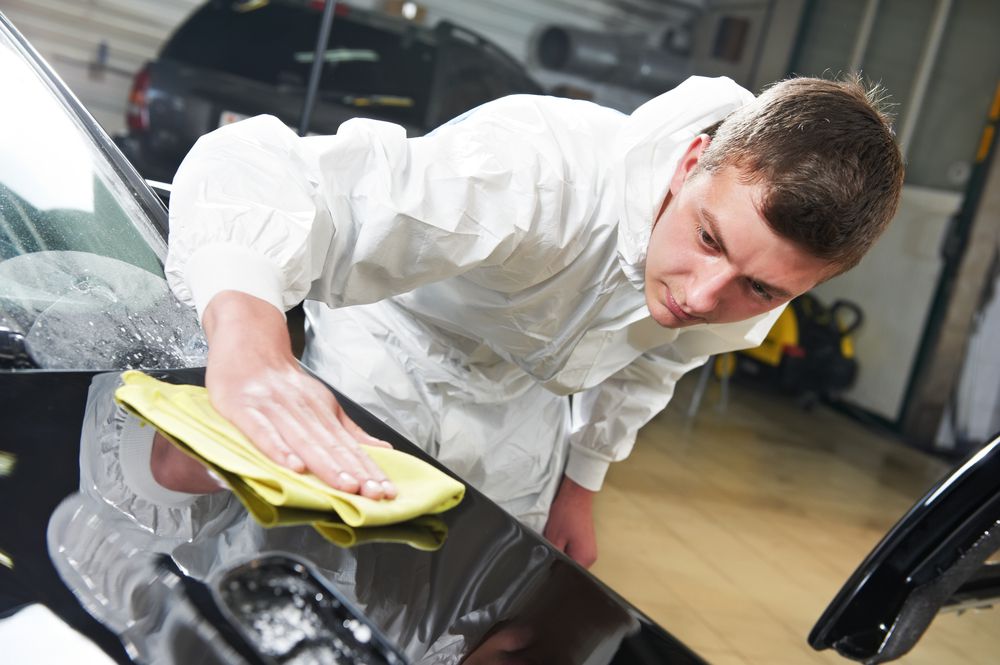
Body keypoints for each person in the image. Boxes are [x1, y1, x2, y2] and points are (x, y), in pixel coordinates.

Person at [158, 74, 904, 567]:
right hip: (382, 364)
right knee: (279, 577)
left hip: (525, 416)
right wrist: (250, 339)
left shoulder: (744, 290)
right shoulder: (533, 171)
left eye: (761, 290)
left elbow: (654, 363)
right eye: (709, 239)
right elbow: (266, 168)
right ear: (691, 164)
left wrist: (581, 482)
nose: (705, 298)